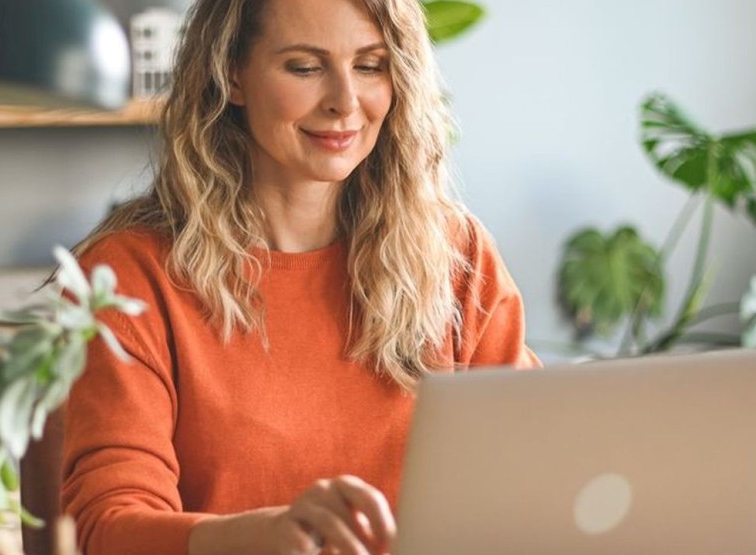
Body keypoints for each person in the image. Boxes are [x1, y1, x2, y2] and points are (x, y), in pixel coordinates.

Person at [47, 0, 539, 553]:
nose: (345, 103)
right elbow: (108, 529)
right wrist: (265, 538)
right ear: (232, 74)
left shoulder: (456, 254)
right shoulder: (129, 277)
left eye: (370, 65)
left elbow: (539, 467)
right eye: (305, 68)